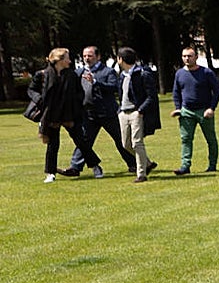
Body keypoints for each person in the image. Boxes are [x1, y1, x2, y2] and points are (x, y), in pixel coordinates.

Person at [63, 46, 136, 178]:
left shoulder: (108, 72)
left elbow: (114, 87)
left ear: (98, 57)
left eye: (90, 56)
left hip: (108, 113)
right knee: (84, 141)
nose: (86, 58)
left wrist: (96, 82)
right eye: (84, 56)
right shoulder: (79, 73)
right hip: (89, 114)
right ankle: (75, 167)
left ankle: (134, 164)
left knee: (121, 140)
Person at [31, 48, 101, 183]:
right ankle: (50, 173)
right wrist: (39, 100)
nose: (70, 60)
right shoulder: (43, 74)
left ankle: (95, 166)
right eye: (67, 58)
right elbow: (32, 90)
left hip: (70, 113)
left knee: (81, 142)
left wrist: (76, 105)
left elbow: (80, 92)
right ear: (59, 60)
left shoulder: (72, 75)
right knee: (53, 145)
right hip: (51, 115)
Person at [171, 46, 219, 174]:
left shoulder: (206, 73)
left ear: (196, 57)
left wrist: (211, 108)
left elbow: (217, 91)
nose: (187, 59)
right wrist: (178, 108)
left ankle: (212, 165)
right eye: (184, 56)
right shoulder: (179, 74)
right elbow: (176, 93)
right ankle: (185, 166)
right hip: (186, 111)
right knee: (186, 139)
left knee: (210, 139)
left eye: (190, 56)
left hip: (204, 111)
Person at [115, 47, 160, 183]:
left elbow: (151, 96)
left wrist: (140, 110)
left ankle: (141, 174)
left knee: (137, 143)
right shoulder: (123, 75)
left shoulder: (142, 73)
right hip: (124, 112)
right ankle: (147, 163)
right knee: (125, 144)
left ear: (121, 59)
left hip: (136, 112)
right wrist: (120, 111)